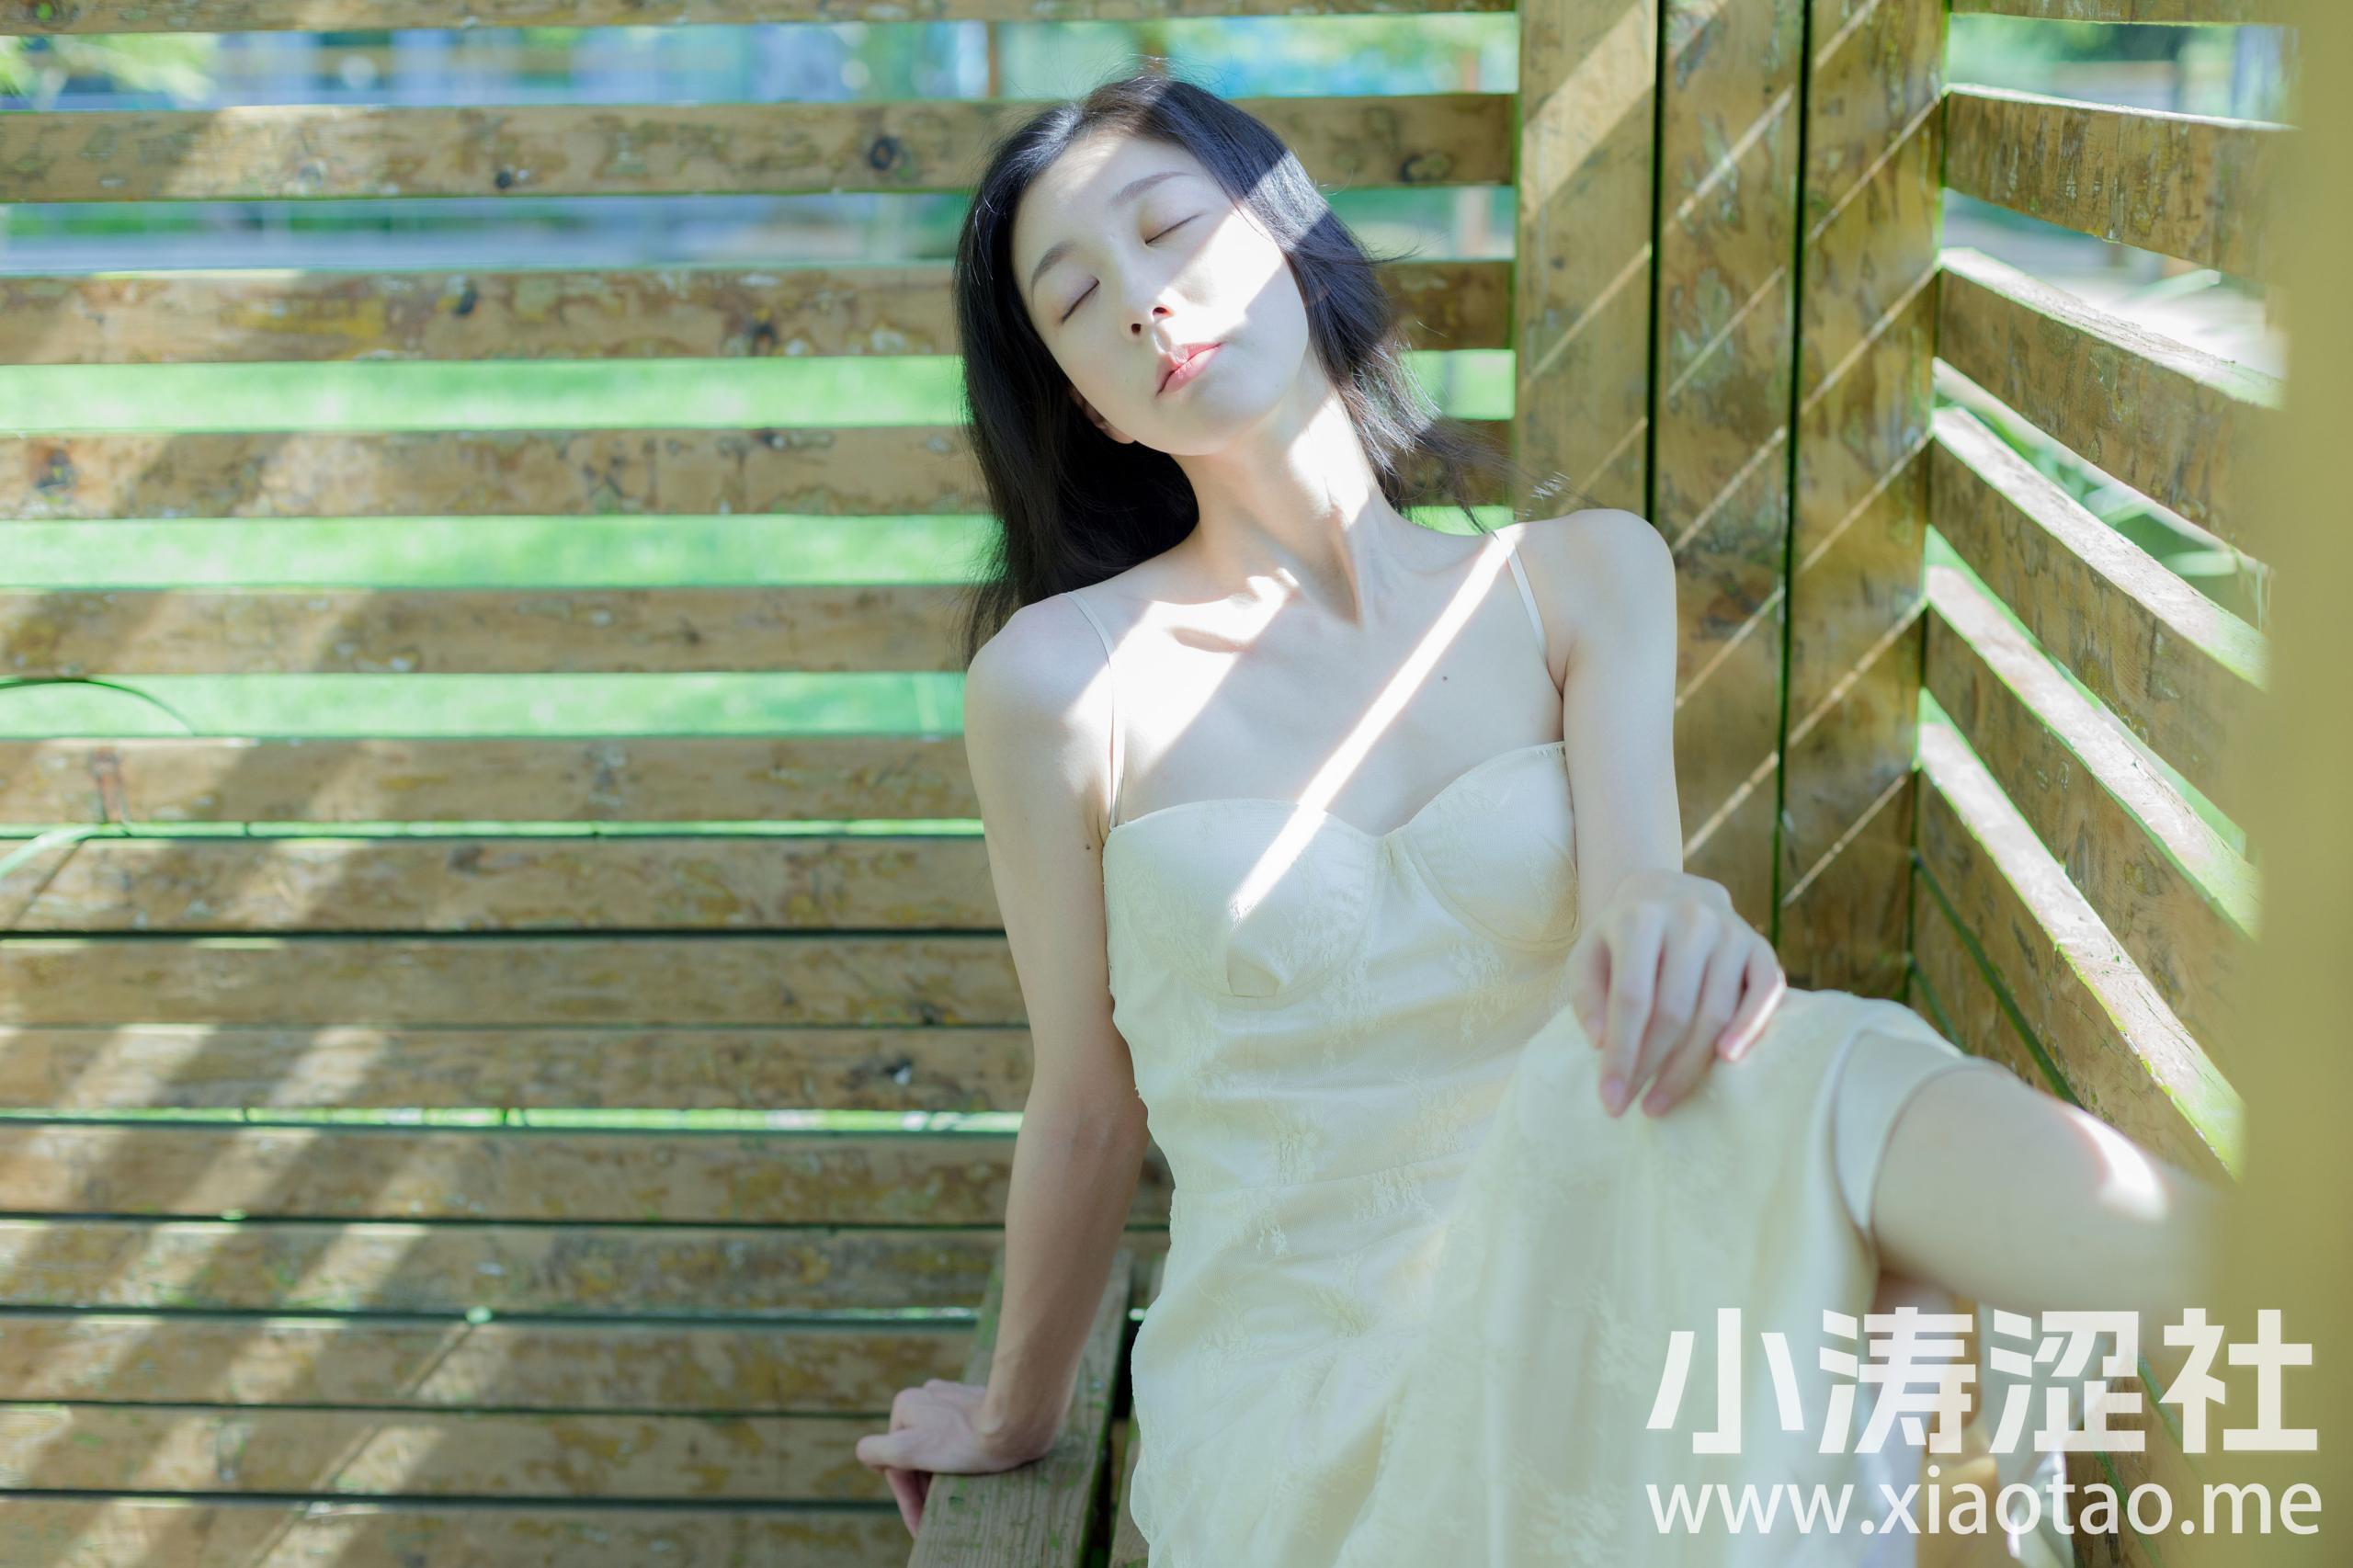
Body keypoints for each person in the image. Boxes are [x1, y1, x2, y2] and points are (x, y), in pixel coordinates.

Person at [851, 69, 2222, 1565]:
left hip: (1606, 1271)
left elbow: (1639, 913)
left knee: (1785, 1071)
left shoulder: (1578, 581)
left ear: (1288, 227)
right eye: (1076, 301)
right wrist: (1014, 1409)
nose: (1142, 300)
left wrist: (1681, 917)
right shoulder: (1061, 683)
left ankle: (2263, 1279)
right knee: (1830, 1243)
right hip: (1307, 1391)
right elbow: (1086, 1100)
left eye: (1169, 227)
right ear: (1085, 404)